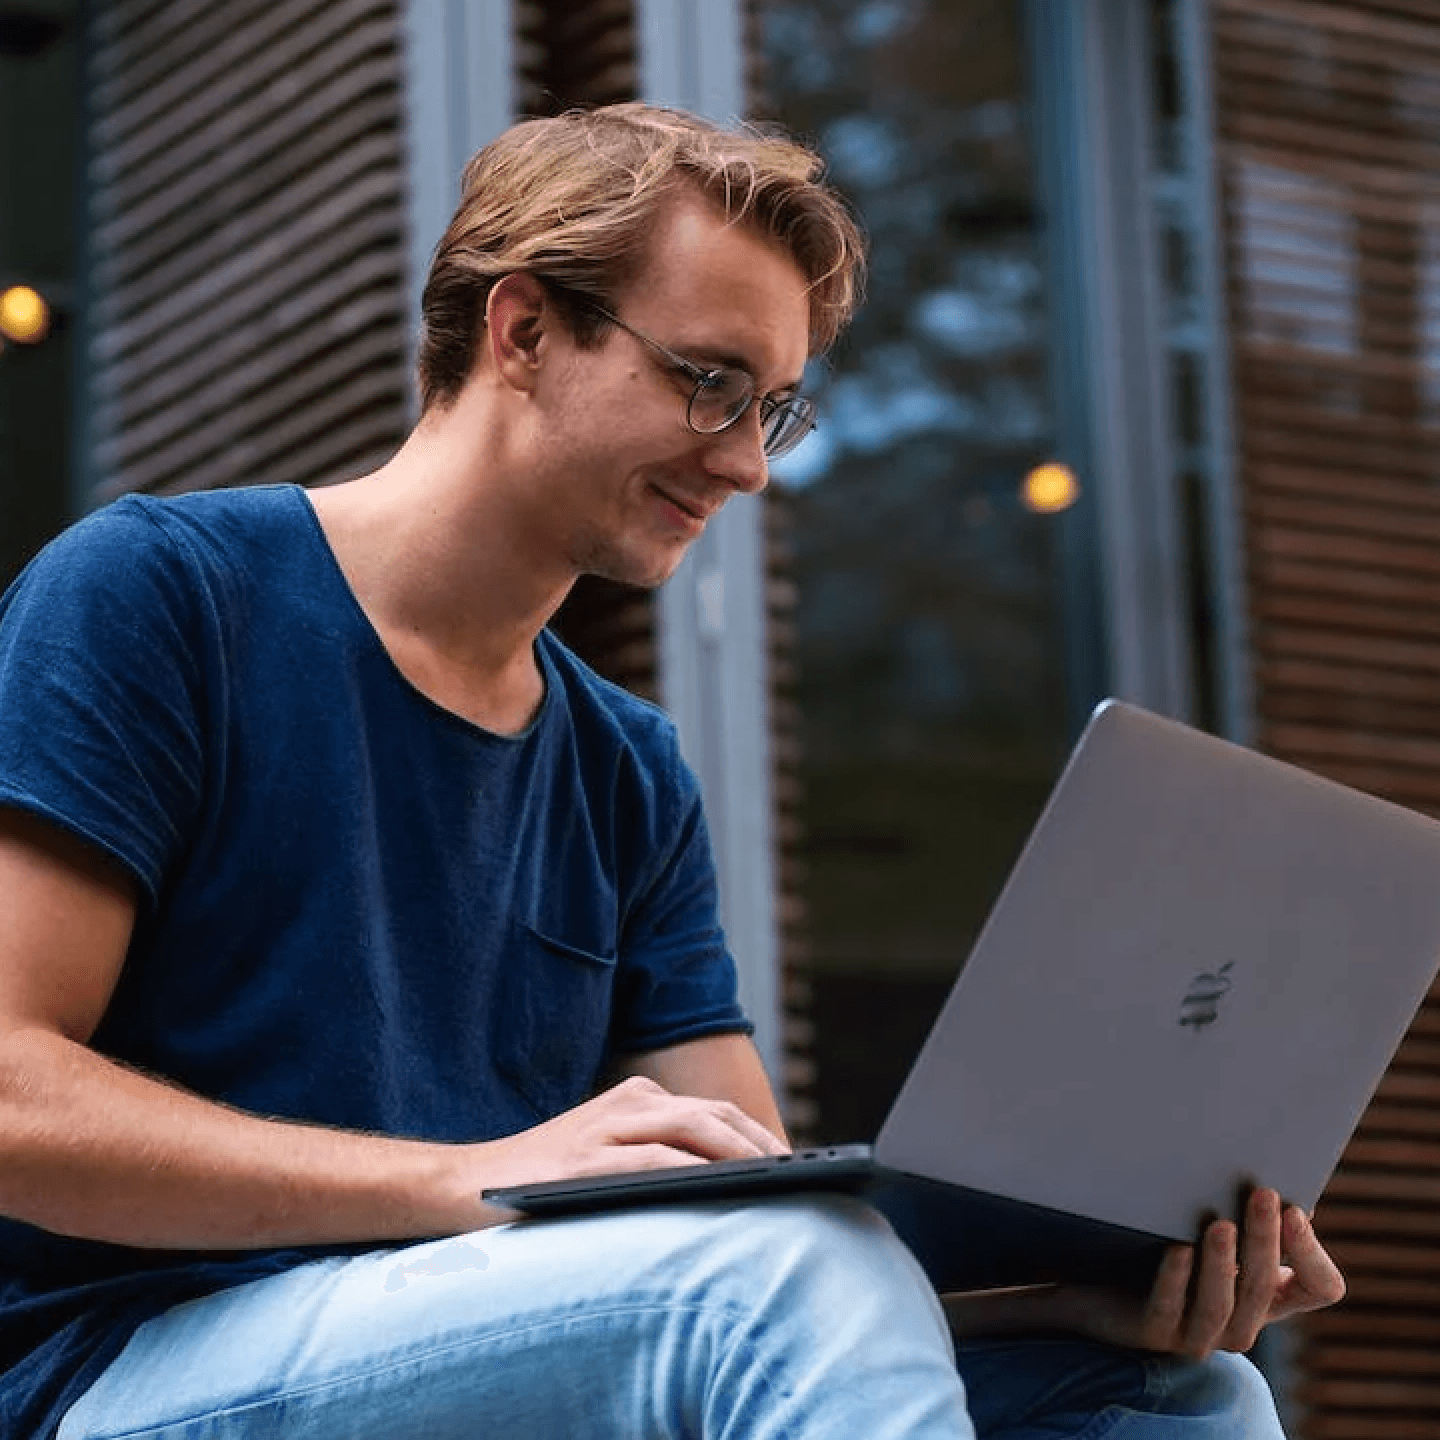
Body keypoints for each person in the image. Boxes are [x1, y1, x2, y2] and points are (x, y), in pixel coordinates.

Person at [0, 102, 1343, 1440]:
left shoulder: (626, 768)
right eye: (708, 383)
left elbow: (766, 1224)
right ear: (521, 330)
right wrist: (473, 1180)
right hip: (127, 1373)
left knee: (1176, 1389)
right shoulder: (161, 597)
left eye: (774, 409)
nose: (749, 463)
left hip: (507, 1358)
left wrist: (1061, 1300)